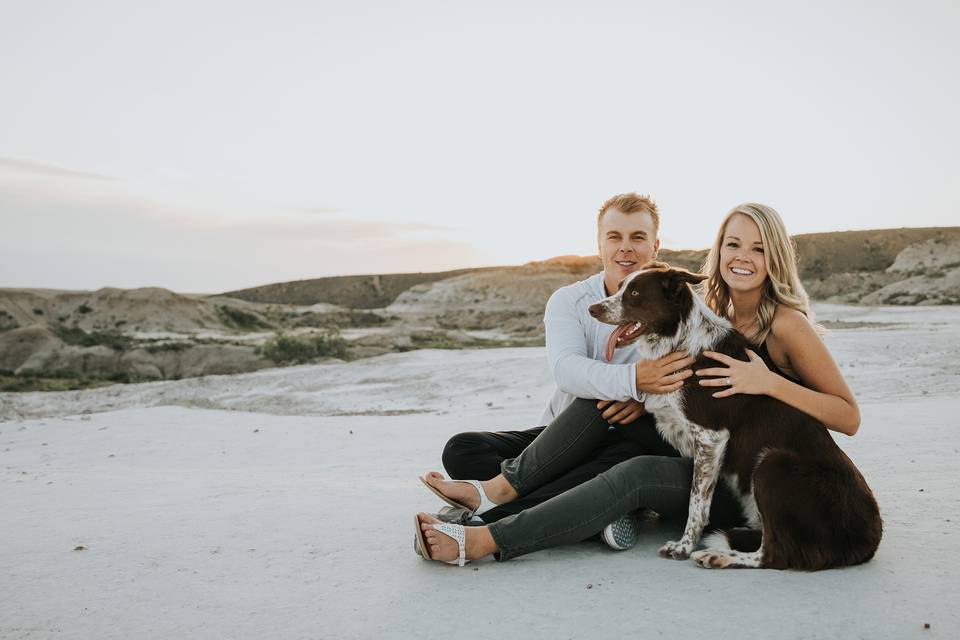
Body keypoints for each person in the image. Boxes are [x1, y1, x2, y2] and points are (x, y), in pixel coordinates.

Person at [414, 202, 861, 564]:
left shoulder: (786, 324)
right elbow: (674, 394)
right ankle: (502, 496)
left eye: (759, 248)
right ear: (718, 250)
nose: (743, 256)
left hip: (744, 479)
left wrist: (768, 381)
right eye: (733, 244)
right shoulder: (707, 313)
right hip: (688, 451)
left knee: (630, 470)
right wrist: (637, 389)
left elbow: (848, 416)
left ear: (775, 257)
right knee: (591, 411)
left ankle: (487, 536)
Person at [422, 193, 696, 542]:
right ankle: (603, 509)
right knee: (462, 450)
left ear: (655, 246)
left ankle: (491, 518)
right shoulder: (571, 300)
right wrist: (635, 381)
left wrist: (643, 402)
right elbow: (568, 371)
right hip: (567, 438)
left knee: (619, 455)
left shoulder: (679, 303)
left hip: (638, 440)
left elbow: (689, 379)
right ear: (599, 245)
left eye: (637, 237)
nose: (625, 248)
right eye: (615, 237)